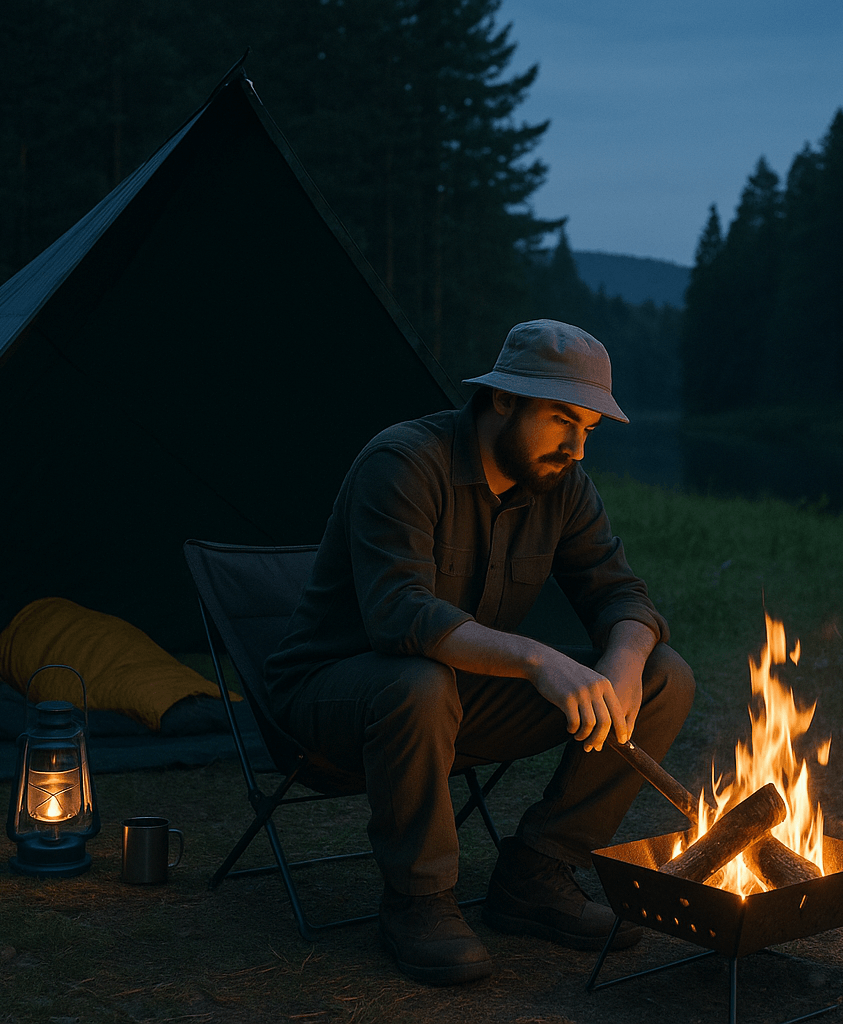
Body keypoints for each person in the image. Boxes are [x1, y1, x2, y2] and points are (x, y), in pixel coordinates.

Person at [264, 319, 695, 985]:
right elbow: (399, 616)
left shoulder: (563, 486)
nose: (577, 448)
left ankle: (537, 872)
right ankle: (418, 902)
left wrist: (625, 662)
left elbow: (623, 595)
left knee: (665, 674)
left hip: (454, 699)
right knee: (416, 683)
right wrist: (539, 659)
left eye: (590, 429)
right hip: (334, 699)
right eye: (560, 420)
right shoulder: (404, 462)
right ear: (502, 401)